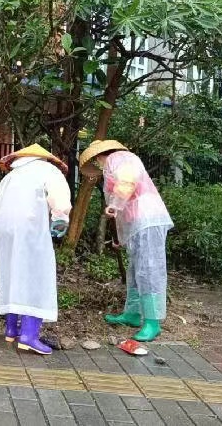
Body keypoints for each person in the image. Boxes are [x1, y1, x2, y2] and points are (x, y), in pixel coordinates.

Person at [79, 139, 173, 342]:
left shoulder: (120, 158)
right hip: (138, 222)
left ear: (99, 156)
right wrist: (120, 239)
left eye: (97, 161)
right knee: (136, 270)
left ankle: (152, 322)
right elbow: (121, 211)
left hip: (148, 219)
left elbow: (127, 182)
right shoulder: (116, 162)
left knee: (149, 270)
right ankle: (132, 314)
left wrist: (114, 204)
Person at [0, 144, 72, 355]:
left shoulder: (10, 176)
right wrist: (60, 220)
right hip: (30, 228)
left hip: (4, 230)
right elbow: (60, 200)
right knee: (36, 276)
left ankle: (11, 329)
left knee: (12, 273)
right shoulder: (48, 170)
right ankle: (28, 336)